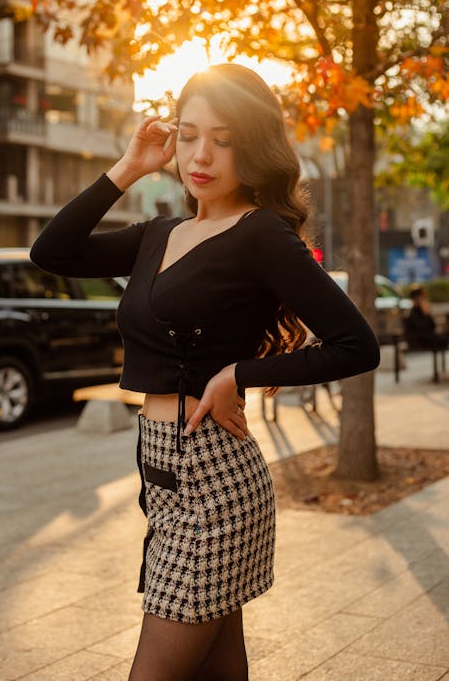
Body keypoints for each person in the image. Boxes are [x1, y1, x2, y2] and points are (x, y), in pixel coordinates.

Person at [30, 63, 380, 680]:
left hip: (214, 480)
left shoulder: (262, 235)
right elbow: (51, 252)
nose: (201, 155)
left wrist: (236, 375)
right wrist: (129, 167)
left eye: (224, 139)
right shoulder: (159, 234)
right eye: (189, 135)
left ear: (255, 148)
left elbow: (357, 345)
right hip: (159, 474)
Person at [405, 285, 449, 351]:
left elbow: (432, 326)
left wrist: (427, 313)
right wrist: (426, 314)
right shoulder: (413, 313)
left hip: (428, 338)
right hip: (421, 341)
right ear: (417, 299)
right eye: (423, 297)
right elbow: (424, 329)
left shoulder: (420, 310)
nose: (425, 299)